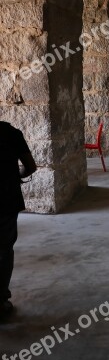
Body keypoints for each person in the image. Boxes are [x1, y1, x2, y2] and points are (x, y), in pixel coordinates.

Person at [0, 121, 37, 321]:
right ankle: (1, 301)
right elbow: (30, 167)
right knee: (4, 249)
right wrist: (17, 175)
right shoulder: (10, 132)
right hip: (6, 199)